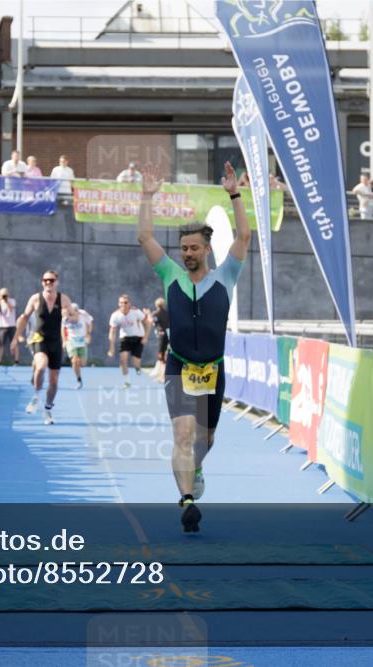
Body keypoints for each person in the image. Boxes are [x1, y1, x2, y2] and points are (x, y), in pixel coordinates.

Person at [136, 161, 250, 532]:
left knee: (206, 438)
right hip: (179, 366)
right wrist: (147, 196)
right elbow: (145, 237)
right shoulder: (170, 274)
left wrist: (234, 195)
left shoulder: (225, 275)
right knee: (183, 435)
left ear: (206, 250)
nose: (187, 253)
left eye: (193, 248)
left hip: (213, 370)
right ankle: (187, 502)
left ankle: (196, 468)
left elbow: (244, 236)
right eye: (183, 248)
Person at [11, 269, 73, 425]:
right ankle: (36, 396)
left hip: (56, 342)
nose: (48, 283)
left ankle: (48, 409)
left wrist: (68, 315)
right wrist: (16, 338)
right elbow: (24, 318)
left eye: (51, 280)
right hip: (39, 339)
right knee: (41, 366)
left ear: (57, 282)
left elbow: (75, 316)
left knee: (54, 381)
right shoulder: (35, 299)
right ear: (42, 282)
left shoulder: (63, 299)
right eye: (45, 280)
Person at [108, 294, 150, 388]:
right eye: (121, 302)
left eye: (125, 302)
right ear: (118, 304)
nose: (123, 304)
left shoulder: (136, 312)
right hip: (125, 338)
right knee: (123, 360)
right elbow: (112, 331)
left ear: (129, 303)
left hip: (138, 338)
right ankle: (127, 382)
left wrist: (145, 337)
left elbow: (147, 323)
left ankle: (137, 367)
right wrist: (111, 347)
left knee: (135, 363)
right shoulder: (115, 315)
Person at [63, 303, 92, 388]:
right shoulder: (66, 317)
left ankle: (77, 364)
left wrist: (88, 334)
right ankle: (79, 379)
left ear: (77, 311)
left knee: (82, 363)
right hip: (71, 340)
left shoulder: (83, 314)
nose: (71, 314)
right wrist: (64, 341)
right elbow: (63, 328)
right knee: (74, 360)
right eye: (70, 312)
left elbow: (89, 323)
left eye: (73, 312)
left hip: (82, 340)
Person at [149, 297, 170, 382]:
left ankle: (162, 376)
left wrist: (148, 315)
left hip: (162, 335)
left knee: (161, 356)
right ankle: (163, 375)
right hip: (168, 335)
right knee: (165, 355)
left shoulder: (156, 314)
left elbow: (153, 323)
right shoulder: (168, 313)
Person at [0, 287, 18, 364]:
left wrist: (6, 301)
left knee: (14, 343)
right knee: (1, 344)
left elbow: (11, 308)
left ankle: (16, 360)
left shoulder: (12, 301)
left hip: (12, 325)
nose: (4, 296)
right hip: (2, 326)